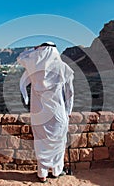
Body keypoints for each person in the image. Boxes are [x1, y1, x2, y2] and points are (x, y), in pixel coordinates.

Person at [17, 42, 74, 183]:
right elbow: (70, 93)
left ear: (41, 50)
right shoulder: (63, 68)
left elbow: (20, 57)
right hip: (58, 113)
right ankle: (56, 171)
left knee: (41, 142)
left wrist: (33, 49)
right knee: (58, 143)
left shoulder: (33, 67)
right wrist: (68, 111)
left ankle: (42, 174)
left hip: (38, 114)